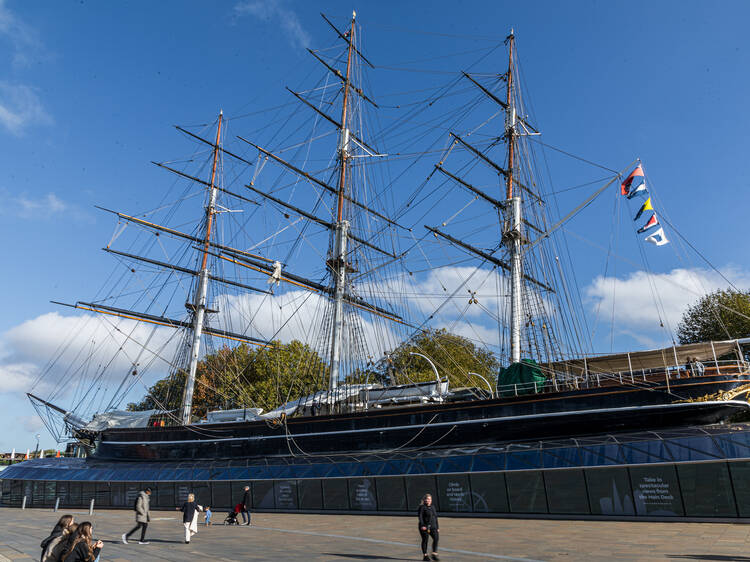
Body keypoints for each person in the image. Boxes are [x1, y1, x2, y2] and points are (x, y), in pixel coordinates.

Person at [417, 493, 439, 561]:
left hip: (433, 527)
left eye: (430, 499)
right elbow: (420, 517)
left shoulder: (433, 507)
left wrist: (437, 527)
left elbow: (435, 517)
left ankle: (434, 554)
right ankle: (425, 555)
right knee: (425, 540)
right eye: (427, 499)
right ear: (425, 500)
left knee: (436, 538)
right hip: (424, 527)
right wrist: (423, 525)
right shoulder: (422, 507)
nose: (429, 500)